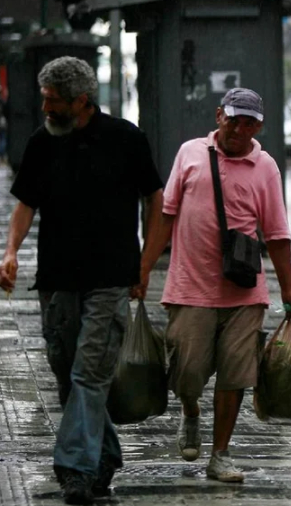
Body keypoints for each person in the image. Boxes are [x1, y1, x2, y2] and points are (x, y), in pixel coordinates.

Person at [0, 56, 164, 504]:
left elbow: (156, 200)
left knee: (89, 373)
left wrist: (146, 264)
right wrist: (10, 251)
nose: (46, 108)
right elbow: (25, 204)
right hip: (56, 280)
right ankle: (104, 453)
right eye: (44, 99)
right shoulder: (42, 142)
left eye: (54, 101)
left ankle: (74, 468)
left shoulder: (126, 138)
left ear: (82, 100)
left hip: (111, 278)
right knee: (66, 374)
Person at [138, 87, 291, 483]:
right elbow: (167, 214)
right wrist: (143, 269)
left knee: (236, 374)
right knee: (187, 371)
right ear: (218, 117)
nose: (239, 129)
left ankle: (220, 454)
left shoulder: (265, 167)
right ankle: (190, 410)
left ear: (258, 127)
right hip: (190, 287)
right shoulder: (190, 154)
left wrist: (289, 289)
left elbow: (277, 234)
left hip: (245, 291)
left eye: (248, 123)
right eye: (233, 120)